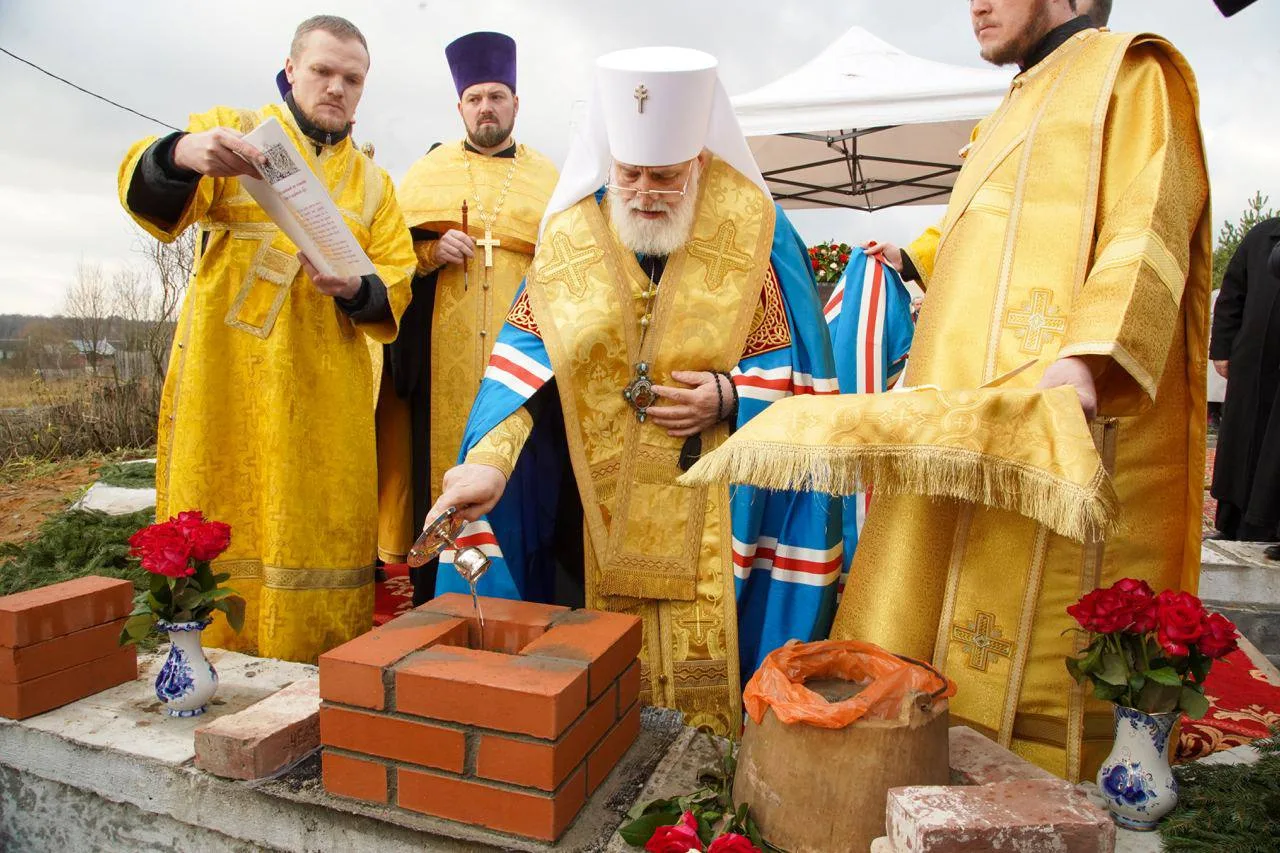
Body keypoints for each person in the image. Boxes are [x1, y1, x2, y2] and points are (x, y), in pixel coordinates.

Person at [426, 47, 841, 735]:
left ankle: (718, 776)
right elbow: (523, 370)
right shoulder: (572, 236)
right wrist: (490, 462)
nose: (644, 193)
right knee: (606, 701)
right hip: (597, 516)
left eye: (665, 176)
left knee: (717, 693)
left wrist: (730, 398)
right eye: (630, 174)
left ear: (699, 160)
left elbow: (796, 370)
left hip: (722, 509)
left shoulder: (754, 230)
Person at [846, 0, 1211, 780]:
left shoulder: (1130, 72)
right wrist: (914, 261)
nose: (975, 5)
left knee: (1022, 655)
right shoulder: (1010, 104)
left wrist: (1089, 354)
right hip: (960, 418)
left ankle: (1038, 785)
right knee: (924, 618)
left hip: (1051, 408)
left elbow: (1149, 218)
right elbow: (986, 230)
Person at [118, 15, 416, 663]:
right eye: (322, 71)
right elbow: (149, 204)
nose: (336, 88)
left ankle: (317, 683)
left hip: (326, 402)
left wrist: (357, 288)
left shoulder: (375, 185)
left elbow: (397, 278)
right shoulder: (235, 135)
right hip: (226, 390)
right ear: (290, 71)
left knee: (320, 535)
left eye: (352, 79)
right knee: (221, 520)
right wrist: (182, 154)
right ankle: (205, 668)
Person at [385, 32, 558, 601]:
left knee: (526, 482)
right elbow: (390, 257)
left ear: (516, 103)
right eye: (475, 98)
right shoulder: (427, 172)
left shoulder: (550, 179)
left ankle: (525, 600)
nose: (486, 107)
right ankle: (439, 603)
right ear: (459, 106)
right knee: (439, 467)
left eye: (497, 97)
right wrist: (431, 252)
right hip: (442, 363)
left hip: (525, 366)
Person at [1209, 218, 1280, 547]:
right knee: (1241, 447)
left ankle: (1269, 528)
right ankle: (1231, 523)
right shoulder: (1262, 236)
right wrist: (1222, 348)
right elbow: (1231, 294)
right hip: (1252, 368)